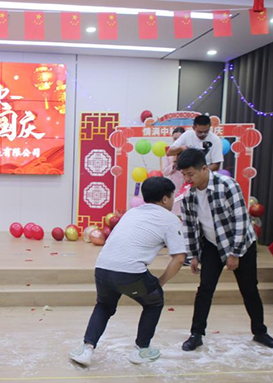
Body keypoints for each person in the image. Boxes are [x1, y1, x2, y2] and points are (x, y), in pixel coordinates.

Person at [70, 177, 186, 366]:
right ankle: (141, 350)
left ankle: (86, 349)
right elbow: (179, 258)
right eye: (172, 196)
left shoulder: (132, 213)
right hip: (130, 273)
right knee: (154, 301)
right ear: (165, 199)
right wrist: (160, 282)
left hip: (102, 267)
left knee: (104, 306)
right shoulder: (170, 219)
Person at [176, 149, 273, 351]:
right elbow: (189, 226)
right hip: (212, 245)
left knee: (249, 289)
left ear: (204, 168)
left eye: (190, 174)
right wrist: (193, 255)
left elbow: (241, 220)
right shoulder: (187, 194)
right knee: (205, 289)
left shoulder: (227, 185)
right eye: (184, 175)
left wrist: (234, 253)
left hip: (241, 244)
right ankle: (196, 334)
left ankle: (260, 332)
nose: (187, 179)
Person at [162, 126, 186, 216]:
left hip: (187, 184)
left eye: (179, 139)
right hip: (175, 186)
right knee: (175, 211)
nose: (177, 141)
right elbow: (165, 172)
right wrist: (173, 163)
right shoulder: (170, 153)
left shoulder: (189, 151)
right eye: (175, 139)